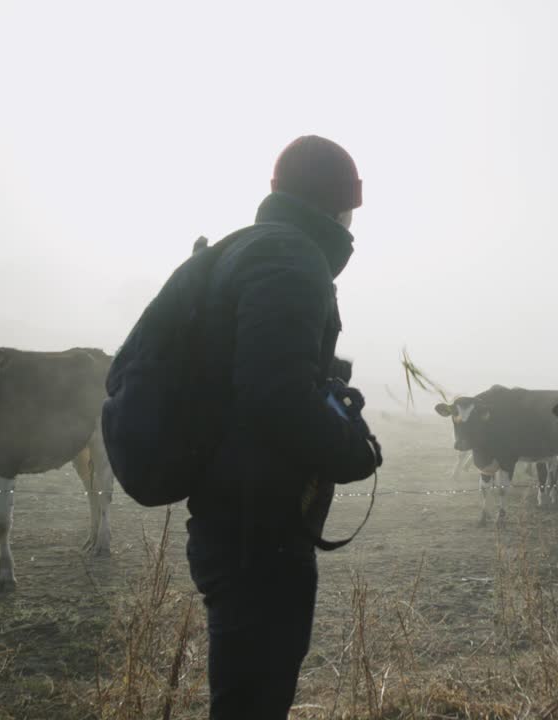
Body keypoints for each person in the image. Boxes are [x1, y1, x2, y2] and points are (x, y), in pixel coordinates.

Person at [185, 135, 381, 719]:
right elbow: (274, 396)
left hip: (233, 516)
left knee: (245, 694)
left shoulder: (251, 251)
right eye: (349, 210)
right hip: (258, 531)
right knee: (253, 699)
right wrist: (353, 448)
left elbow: (264, 382)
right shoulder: (292, 261)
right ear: (333, 207)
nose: (352, 225)